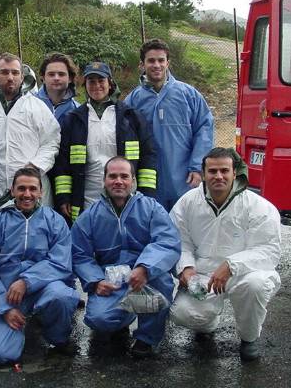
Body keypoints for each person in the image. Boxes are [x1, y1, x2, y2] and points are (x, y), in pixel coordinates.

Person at [169, 148, 281, 361]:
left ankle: (249, 339)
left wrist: (232, 265)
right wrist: (186, 267)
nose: (218, 176)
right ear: (203, 173)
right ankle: (206, 323)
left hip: (245, 274)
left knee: (255, 286)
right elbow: (178, 240)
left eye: (224, 170)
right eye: (212, 171)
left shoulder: (258, 207)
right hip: (204, 275)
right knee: (182, 313)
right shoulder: (187, 202)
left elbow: (269, 250)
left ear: (235, 173)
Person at [71, 156, 181, 358]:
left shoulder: (151, 208)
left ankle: (146, 338)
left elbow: (168, 242)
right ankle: (122, 318)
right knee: (99, 319)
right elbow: (79, 254)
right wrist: (95, 281)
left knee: (162, 281)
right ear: (104, 180)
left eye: (124, 176)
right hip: (111, 281)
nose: (118, 181)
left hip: (146, 278)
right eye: (112, 176)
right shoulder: (90, 216)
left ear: (133, 180)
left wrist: (145, 268)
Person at [0, 167, 80, 366]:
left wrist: (26, 281)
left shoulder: (55, 221)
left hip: (42, 288)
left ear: (41, 192)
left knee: (62, 296)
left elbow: (61, 263)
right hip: (6, 296)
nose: (27, 194)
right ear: (12, 191)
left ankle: (58, 337)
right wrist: (4, 309)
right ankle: (10, 328)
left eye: (32, 189)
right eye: (21, 188)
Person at [53, 61, 157, 223]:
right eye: (91, 82)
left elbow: (148, 157)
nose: (96, 86)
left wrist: (146, 196)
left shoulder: (131, 117)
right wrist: (63, 197)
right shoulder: (73, 119)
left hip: (126, 198)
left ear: (110, 84)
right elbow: (62, 162)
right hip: (86, 199)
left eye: (101, 81)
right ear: (84, 85)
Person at [124, 38, 214, 210]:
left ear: (168, 63)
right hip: (149, 183)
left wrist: (197, 167)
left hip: (184, 181)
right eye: (151, 60)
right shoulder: (133, 100)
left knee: (185, 228)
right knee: (154, 227)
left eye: (161, 60)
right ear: (142, 65)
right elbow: (126, 139)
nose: (156, 65)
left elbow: (204, 128)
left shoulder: (188, 95)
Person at [0, 53, 61, 213]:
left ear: (22, 77)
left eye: (15, 73)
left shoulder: (37, 107)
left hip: (32, 189)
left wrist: (33, 168)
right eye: (4, 72)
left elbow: (51, 143)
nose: (10, 77)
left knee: (34, 233)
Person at [34, 52, 79, 124]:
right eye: (51, 74)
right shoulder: (29, 105)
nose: (56, 78)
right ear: (43, 78)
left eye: (61, 74)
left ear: (70, 78)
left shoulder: (77, 111)